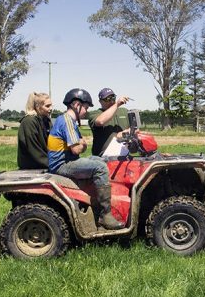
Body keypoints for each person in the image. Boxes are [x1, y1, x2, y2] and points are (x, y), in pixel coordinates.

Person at [47, 88, 123, 230]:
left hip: (67, 160)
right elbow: (77, 148)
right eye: (86, 108)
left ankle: (97, 201)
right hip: (62, 164)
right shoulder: (67, 121)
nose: (86, 111)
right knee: (100, 167)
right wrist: (82, 144)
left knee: (100, 160)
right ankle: (105, 215)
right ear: (76, 105)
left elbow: (80, 145)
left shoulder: (68, 120)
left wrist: (81, 144)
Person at [88, 88, 131, 156]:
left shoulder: (124, 111)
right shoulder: (94, 114)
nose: (111, 101)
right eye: (107, 99)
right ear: (100, 101)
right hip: (103, 157)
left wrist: (124, 134)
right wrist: (117, 104)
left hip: (124, 155)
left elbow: (135, 129)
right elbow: (100, 121)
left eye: (113, 97)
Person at [17, 92, 53, 169]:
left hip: (45, 164)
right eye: (47, 106)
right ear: (37, 106)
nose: (51, 108)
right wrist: (52, 164)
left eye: (51, 105)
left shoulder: (46, 120)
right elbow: (34, 149)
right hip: (32, 167)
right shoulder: (29, 122)